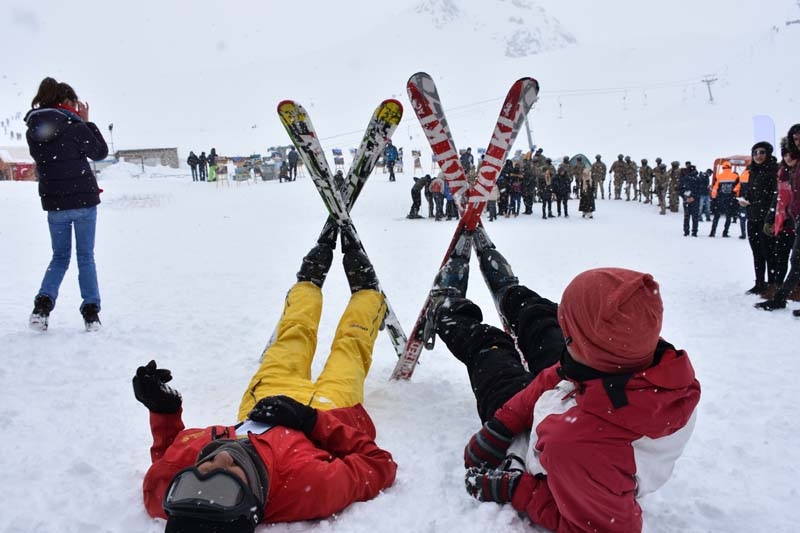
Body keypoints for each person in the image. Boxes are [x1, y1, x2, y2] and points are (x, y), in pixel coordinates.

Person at [133, 225, 396, 531]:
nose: (218, 463)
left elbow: (168, 460)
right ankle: (367, 293)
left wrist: (163, 412)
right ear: (251, 504)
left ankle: (308, 283)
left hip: (262, 403)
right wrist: (312, 421)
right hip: (328, 410)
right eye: (226, 485)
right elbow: (380, 464)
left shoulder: (162, 490)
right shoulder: (311, 486)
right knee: (350, 349)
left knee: (292, 337)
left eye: (194, 480)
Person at [428, 239, 700, 532]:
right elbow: (562, 369)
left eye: (573, 334)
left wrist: (517, 487)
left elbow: (599, 529)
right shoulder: (644, 360)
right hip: (580, 398)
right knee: (545, 326)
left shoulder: (580, 449)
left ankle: (448, 311)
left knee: (491, 354)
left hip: (540, 441)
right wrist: (503, 422)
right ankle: (514, 295)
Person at [25, 76, 109, 332]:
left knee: (59, 257)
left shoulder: (34, 129)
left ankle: (42, 308)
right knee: (85, 257)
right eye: (74, 102)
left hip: (55, 205)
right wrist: (85, 122)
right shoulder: (75, 126)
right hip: (83, 201)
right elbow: (100, 153)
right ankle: (91, 314)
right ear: (65, 102)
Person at [756, 129, 800, 315]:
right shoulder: (789, 170)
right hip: (795, 218)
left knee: (796, 260)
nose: (798, 142)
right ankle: (779, 298)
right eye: (795, 139)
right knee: (795, 260)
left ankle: (779, 298)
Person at [741, 142, 785, 295]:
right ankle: (759, 282)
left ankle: (772, 284)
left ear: (768, 154)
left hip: (767, 217)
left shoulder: (774, 171)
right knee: (757, 252)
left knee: (769, 252)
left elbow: (775, 195)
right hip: (752, 216)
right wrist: (745, 199)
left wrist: (770, 216)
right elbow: (751, 192)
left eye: (762, 152)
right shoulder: (753, 171)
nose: (758, 156)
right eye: (755, 153)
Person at [708, 162, 739, 237]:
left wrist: (714, 198)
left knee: (716, 217)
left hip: (720, 199)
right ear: (730, 167)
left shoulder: (719, 176)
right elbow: (738, 187)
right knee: (728, 217)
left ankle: (712, 232)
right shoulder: (735, 176)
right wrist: (735, 194)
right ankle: (725, 232)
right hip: (730, 199)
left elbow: (715, 188)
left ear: (723, 168)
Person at [679, 163, 703, 237]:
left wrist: (686, 197)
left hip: (689, 200)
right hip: (694, 200)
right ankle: (694, 232)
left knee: (687, 217)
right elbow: (701, 190)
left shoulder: (685, 179)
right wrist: (693, 197)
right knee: (694, 217)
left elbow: (680, 190)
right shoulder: (698, 179)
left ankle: (687, 231)